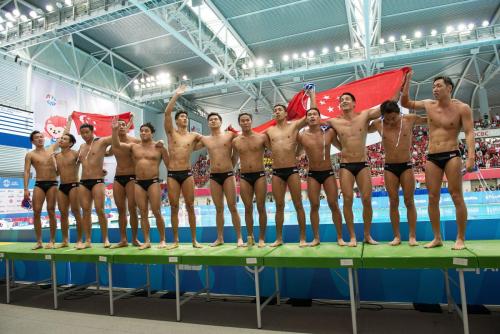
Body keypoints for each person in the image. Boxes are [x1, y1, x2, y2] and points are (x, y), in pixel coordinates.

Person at [401, 72, 475, 250]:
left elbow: (469, 132)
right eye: (433, 86)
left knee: (456, 195)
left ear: (449, 88)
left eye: (439, 86)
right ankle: (437, 238)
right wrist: (407, 81)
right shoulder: (429, 105)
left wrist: (471, 157)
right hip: (432, 156)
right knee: (432, 197)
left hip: (452, 154)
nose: (435, 89)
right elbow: (405, 103)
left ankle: (460, 238)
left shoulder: (462, 108)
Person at [369, 100, 427, 246]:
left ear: (399, 113)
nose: (391, 121)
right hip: (389, 167)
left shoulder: (410, 119)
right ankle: (397, 236)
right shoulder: (378, 123)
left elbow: (430, 120)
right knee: (393, 202)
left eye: (393, 118)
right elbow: (360, 128)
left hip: (406, 166)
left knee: (409, 201)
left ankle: (412, 236)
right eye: (387, 119)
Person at [327, 92, 381, 246]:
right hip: (346, 165)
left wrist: (400, 85)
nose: (344, 101)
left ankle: (367, 235)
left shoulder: (364, 116)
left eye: (347, 99)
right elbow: (315, 118)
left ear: (354, 103)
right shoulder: (335, 121)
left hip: (362, 164)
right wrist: (341, 148)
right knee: (347, 199)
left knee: (366, 200)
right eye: (341, 100)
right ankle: (352, 236)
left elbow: (383, 108)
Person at [112, 119, 169, 249]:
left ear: (152, 133)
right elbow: (117, 145)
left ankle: (162, 240)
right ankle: (147, 241)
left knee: (156, 211)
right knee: (142, 213)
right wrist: (114, 130)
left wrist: (164, 148)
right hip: (138, 183)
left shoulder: (158, 147)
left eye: (146, 131)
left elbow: (169, 164)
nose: (143, 133)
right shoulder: (134, 146)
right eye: (141, 131)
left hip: (153, 181)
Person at [298, 90, 345, 246]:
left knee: (333, 204)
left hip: (328, 172)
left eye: (314, 114)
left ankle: (340, 237)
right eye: (309, 115)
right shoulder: (302, 135)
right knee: (314, 206)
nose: (312, 116)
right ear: (306, 119)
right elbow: (297, 153)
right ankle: (316, 238)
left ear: (319, 117)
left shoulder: (329, 133)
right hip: (312, 174)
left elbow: (342, 147)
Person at [163, 85, 203, 248]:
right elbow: (167, 113)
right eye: (182, 117)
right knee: (174, 207)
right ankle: (176, 240)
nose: (185, 118)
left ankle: (194, 240)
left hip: (187, 173)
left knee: (191, 206)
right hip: (172, 173)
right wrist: (176, 95)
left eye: (186, 117)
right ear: (177, 120)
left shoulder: (193, 136)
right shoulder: (171, 133)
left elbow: (207, 142)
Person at [196, 112, 243, 247]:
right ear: (208, 123)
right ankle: (220, 238)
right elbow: (190, 147)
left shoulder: (229, 135)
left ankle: (239, 237)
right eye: (210, 120)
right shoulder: (205, 139)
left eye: (216, 119)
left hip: (228, 174)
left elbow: (239, 146)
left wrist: (232, 166)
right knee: (218, 209)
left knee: (232, 207)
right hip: (214, 176)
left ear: (220, 122)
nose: (213, 121)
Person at [265, 98, 307, 247]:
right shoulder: (269, 131)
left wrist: (312, 95)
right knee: (279, 206)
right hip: (276, 171)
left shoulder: (294, 126)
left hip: (292, 170)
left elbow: (310, 115)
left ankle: (302, 238)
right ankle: (279, 238)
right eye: (275, 110)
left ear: (286, 113)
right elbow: (262, 142)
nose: (276, 112)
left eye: (279, 110)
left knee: (298, 204)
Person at [232, 113, 269, 247]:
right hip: (244, 176)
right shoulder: (236, 141)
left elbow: (274, 149)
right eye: (243, 121)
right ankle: (250, 236)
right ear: (239, 123)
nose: (245, 122)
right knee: (247, 207)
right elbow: (234, 159)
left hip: (259, 175)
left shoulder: (261, 137)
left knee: (261, 207)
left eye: (247, 120)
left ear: (251, 121)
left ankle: (262, 238)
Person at [77, 123, 114, 248]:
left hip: (97, 180)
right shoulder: (81, 146)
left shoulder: (101, 142)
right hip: (83, 182)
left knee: (100, 210)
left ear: (92, 131)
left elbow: (115, 138)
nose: (85, 135)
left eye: (87, 132)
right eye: (82, 133)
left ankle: (105, 239)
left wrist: (115, 128)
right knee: (86, 211)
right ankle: (88, 240)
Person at [24, 132, 61, 250]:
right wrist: (25, 189)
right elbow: (26, 172)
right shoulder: (30, 155)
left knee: (51, 210)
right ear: (32, 141)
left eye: (41, 137)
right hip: (39, 183)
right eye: (36, 138)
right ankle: (39, 241)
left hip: (52, 183)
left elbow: (63, 136)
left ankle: (52, 240)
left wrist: (70, 121)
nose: (40, 139)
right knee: (36, 212)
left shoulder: (51, 149)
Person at [110, 117, 142, 248]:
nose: (122, 126)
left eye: (124, 124)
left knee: (132, 209)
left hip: (131, 177)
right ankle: (123, 239)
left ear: (127, 127)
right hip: (118, 177)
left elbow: (148, 146)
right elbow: (105, 153)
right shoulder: (113, 141)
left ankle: (134, 239)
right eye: (119, 124)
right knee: (121, 210)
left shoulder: (135, 141)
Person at [54, 128, 85, 249]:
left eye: (64, 139)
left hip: (74, 185)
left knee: (76, 212)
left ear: (70, 143)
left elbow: (87, 164)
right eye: (61, 138)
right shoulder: (57, 156)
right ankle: (65, 240)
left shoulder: (75, 154)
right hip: (62, 186)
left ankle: (79, 240)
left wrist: (100, 171)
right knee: (63, 214)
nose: (61, 140)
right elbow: (57, 173)